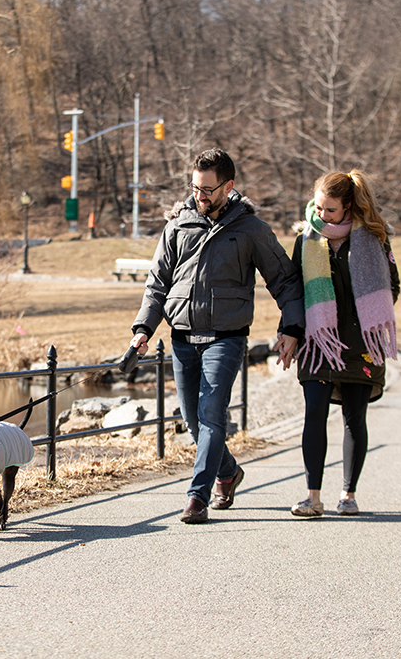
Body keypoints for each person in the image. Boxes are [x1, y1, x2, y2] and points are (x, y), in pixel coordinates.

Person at [129, 148, 304, 524]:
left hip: (226, 337)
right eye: (195, 187)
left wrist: (291, 327)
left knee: (211, 414)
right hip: (182, 337)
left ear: (229, 186)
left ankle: (197, 496)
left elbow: (286, 280)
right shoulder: (178, 225)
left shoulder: (250, 229)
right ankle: (228, 471)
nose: (200, 195)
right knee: (193, 421)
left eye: (208, 189)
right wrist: (143, 329)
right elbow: (157, 283)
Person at [289, 169, 399, 518]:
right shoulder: (306, 239)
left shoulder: (374, 238)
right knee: (314, 415)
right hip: (317, 339)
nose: (322, 216)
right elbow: (293, 293)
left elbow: (393, 285)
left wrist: (369, 310)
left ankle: (348, 495)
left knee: (354, 417)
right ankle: (313, 497)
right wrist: (290, 330)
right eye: (318, 208)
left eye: (330, 210)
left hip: (359, 342)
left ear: (349, 206)